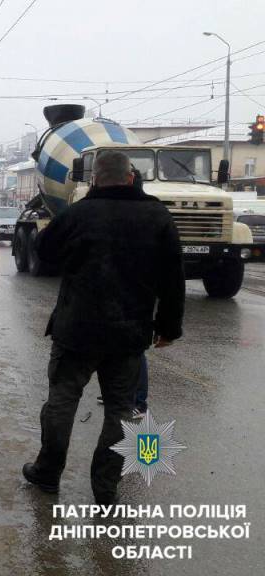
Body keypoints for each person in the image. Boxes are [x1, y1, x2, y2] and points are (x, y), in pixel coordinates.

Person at [22, 150, 185, 505]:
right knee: (121, 410)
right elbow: (174, 276)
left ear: (94, 179)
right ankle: (105, 489)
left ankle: (48, 473)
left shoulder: (79, 213)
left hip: (76, 329)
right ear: (131, 178)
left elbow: (44, 251)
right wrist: (169, 327)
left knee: (62, 402)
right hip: (129, 333)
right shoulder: (157, 215)